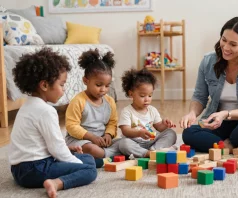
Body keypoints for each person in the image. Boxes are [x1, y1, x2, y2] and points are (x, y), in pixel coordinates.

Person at [9, 48, 97, 198]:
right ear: (44, 85)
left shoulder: (28, 105)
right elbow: (56, 149)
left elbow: (43, 143)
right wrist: (77, 165)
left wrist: (68, 149)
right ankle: (57, 183)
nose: (64, 90)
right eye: (62, 85)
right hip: (33, 169)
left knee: (88, 158)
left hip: (19, 168)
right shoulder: (46, 111)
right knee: (89, 170)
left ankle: (81, 165)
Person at [180, 17, 238, 152]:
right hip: (219, 123)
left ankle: (226, 145)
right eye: (223, 40)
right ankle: (234, 146)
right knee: (189, 133)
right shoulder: (208, 61)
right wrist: (192, 113)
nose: (226, 47)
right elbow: (200, 96)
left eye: (233, 44)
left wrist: (226, 113)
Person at [65, 49, 120, 159]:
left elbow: (112, 122)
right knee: (91, 149)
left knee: (125, 142)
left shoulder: (110, 101)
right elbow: (71, 126)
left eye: (107, 85)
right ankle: (109, 156)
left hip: (102, 140)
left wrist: (108, 134)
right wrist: (91, 137)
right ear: (86, 81)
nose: (103, 90)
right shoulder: (78, 101)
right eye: (99, 85)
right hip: (81, 140)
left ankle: (104, 155)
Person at [118, 68, 177, 158]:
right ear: (131, 94)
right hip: (135, 142)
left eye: (150, 95)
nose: (147, 99)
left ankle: (154, 150)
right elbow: (125, 131)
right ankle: (147, 153)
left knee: (171, 133)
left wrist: (165, 123)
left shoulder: (152, 110)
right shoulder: (127, 111)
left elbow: (159, 127)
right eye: (142, 96)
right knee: (123, 143)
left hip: (151, 141)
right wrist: (139, 133)